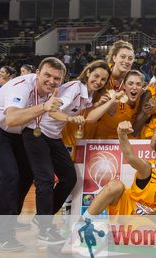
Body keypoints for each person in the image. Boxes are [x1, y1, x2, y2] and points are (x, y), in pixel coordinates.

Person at [22, 60, 118, 245]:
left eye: (103, 80)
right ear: (88, 72)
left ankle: (44, 218)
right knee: (46, 180)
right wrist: (70, 119)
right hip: (37, 132)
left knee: (69, 178)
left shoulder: (88, 96)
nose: (98, 81)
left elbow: (90, 118)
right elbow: (52, 111)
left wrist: (110, 101)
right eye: (96, 76)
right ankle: (44, 228)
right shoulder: (75, 87)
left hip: (53, 137)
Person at [0, 57, 65, 250]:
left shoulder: (50, 91)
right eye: (47, 75)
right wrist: (44, 107)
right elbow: (12, 119)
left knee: (27, 174)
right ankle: (4, 234)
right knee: (10, 175)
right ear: (37, 73)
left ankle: (11, 220)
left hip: (18, 132)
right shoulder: (21, 86)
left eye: (57, 78)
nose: (51, 81)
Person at [82, 122, 156, 216]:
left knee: (145, 227)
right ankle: (83, 222)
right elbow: (130, 156)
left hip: (143, 218)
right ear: (155, 154)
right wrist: (121, 134)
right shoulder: (147, 168)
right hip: (125, 208)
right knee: (116, 185)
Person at [92, 70, 144, 139]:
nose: (134, 87)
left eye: (138, 84)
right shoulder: (114, 99)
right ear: (124, 86)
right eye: (130, 84)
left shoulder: (140, 100)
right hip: (104, 144)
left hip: (125, 142)